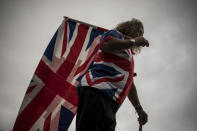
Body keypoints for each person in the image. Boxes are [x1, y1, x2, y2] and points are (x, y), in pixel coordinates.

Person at [76, 18, 149, 131]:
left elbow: (129, 84)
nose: (140, 35)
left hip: (110, 102)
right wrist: (133, 41)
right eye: (139, 31)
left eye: (142, 34)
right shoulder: (115, 34)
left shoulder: (128, 53)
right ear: (130, 28)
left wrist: (139, 109)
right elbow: (106, 44)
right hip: (97, 91)